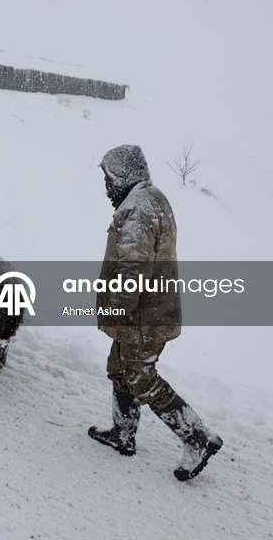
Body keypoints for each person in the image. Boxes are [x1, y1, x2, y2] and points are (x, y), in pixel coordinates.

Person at [88, 144, 223, 481]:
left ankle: (197, 437)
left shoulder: (136, 209)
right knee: (120, 368)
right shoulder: (151, 198)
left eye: (108, 179)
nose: (106, 188)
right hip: (146, 313)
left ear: (123, 176)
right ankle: (123, 433)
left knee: (140, 378)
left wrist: (116, 309)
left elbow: (132, 270)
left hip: (142, 318)